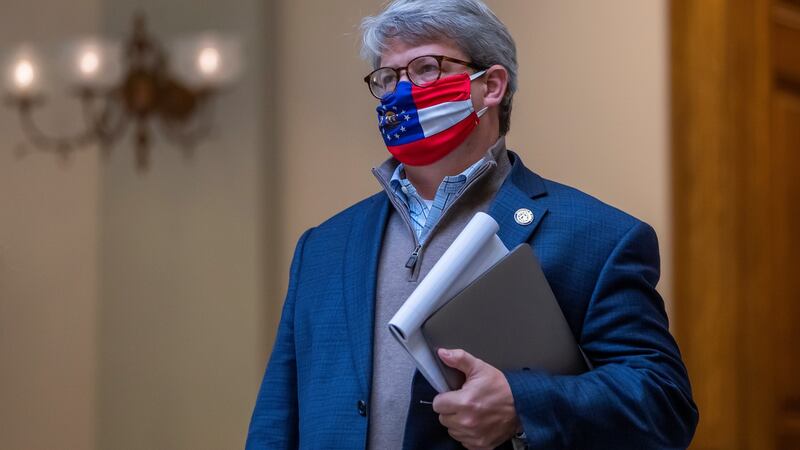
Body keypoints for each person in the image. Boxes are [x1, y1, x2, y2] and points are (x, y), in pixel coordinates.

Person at [245, 1, 698, 449]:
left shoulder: (597, 238)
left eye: (425, 69)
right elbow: (277, 420)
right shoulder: (323, 247)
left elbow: (663, 403)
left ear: (492, 86)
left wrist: (522, 404)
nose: (401, 92)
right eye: (387, 78)